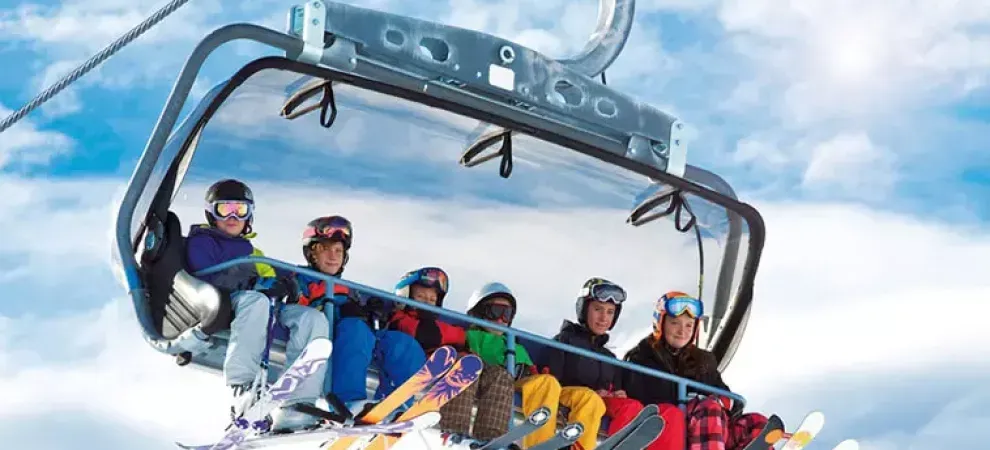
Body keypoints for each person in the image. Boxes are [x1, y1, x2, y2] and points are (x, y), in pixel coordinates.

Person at [184, 179, 330, 431]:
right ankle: (241, 388)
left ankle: (298, 403)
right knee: (257, 300)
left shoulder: (252, 251)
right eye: (224, 209)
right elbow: (206, 274)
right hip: (224, 302)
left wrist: (287, 285)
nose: (232, 216)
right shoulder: (203, 241)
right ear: (211, 213)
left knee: (312, 319)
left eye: (240, 210)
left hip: (263, 303)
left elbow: (272, 276)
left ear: (249, 214)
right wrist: (258, 284)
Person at [293, 215, 427, 415]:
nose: (333, 256)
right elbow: (292, 304)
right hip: (324, 333)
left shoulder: (351, 291)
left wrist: (374, 313)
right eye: (325, 249)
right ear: (311, 254)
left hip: (357, 339)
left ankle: (395, 405)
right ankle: (348, 401)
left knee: (402, 343)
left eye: (338, 251)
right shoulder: (299, 278)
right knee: (354, 329)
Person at [623, 291, 771, 450]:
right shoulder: (642, 358)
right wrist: (694, 402)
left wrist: (724, 401)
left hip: (714, 428)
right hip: (674, 427)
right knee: (709, 408)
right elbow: (642, 399)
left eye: (688, 325)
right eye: (675, 323)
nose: (682, 331)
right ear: (661, 323)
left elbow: (727, 397)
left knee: (758, 423)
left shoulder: (703, 360)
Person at [464, 282, 600, 450]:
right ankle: (541, 445)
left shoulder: (515, 343)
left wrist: (537, 371)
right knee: (547, 383)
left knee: (589, 397)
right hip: (498, 382)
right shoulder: (472, 336)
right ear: (478, 312)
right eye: (495, 311)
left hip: (528, 384)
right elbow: (470, 361)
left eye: (506, 314)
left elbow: (533, 372)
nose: (501, 319)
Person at [389, 267, 515, 442]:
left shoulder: (439, 325)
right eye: (421, 297)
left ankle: (490, 438)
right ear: (404, 296)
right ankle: (453, 431)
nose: (427, 302)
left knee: (500, 376)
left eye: (432, 299)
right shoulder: (401, 318)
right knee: (464, 366)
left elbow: (451, 335)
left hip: (451, 360)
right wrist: (456, 336)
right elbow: (426, 334)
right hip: (427, 364)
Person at [542, 278, 647, 449]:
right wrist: (592, 392)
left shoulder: (610, 358)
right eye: (597, 309)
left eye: (610, 312)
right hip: (570, 396)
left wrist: (616, 394)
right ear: (584, 309)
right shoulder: (565, 341)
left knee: (632, 407)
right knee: (590, 399)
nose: (603, 317)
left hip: (599, 402)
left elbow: (616, 388)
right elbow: (551, 381)